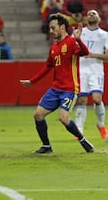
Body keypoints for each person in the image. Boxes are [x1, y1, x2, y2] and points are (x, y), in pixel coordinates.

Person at [20, 13, 94, 153]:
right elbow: (47, 67)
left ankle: (83, 140)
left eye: (53, 28)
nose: (51, 31)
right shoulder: (54, 47)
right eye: (50, 28)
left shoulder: (72, 42)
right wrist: (32, 81)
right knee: (38, 114)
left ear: (62, 27)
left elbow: (85, 52)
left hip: (70, 89)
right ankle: (46, 146)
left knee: (63, 117)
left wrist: (79, 40)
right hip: (55, 88)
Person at [74, 10, 108, 139]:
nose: (91, 15)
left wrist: (92, 55)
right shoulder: (79, 33)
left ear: (99, 18)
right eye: (89, 13)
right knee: (82, 100)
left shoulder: (105, 35)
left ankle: (101, 125)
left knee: (97, 99)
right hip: (81, 70)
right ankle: (79, 129)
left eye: (94, 13)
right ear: (86, 18)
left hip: (96, 70)